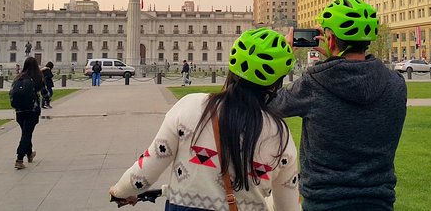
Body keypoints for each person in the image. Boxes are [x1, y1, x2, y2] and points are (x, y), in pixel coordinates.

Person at [109, 28, 301, 210]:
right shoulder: (280, 135)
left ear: (232, 69)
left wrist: (120, 191)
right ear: (276, 83)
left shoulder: (191, 106)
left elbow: (145, 171)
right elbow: (288, 206)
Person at [270, 0, 407, 210]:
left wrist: (284, 55)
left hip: (324, 202)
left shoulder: (315, 82)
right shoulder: (396, 85)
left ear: (331, 40)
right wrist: (334, 58)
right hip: (379, 202)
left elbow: (271, 103)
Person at [12, 56, 49, 170]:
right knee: (27, 134)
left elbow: (12, 92)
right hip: (32, 110)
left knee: (26, 132)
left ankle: (29, 154)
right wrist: (47, 98)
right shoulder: (38, 77)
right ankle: (19, 158)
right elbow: (44, 92)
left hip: (19, 110)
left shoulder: (18, 77)